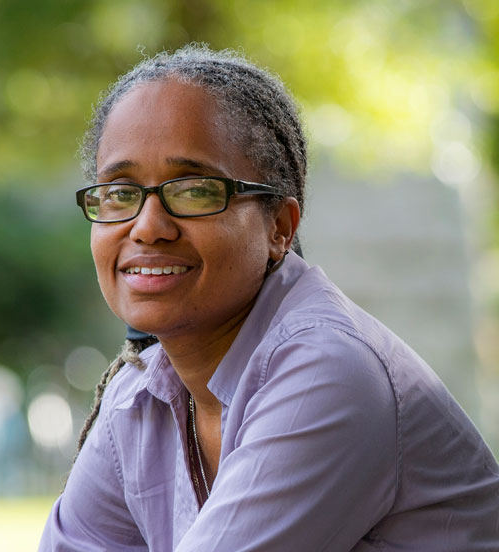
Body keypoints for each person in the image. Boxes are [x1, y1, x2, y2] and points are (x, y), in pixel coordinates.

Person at [39, 45, 499, 550]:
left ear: (279, 226)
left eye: (195, 190)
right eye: (121, 192)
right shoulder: (138, 396)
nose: (147, 227)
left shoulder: (329, 372)